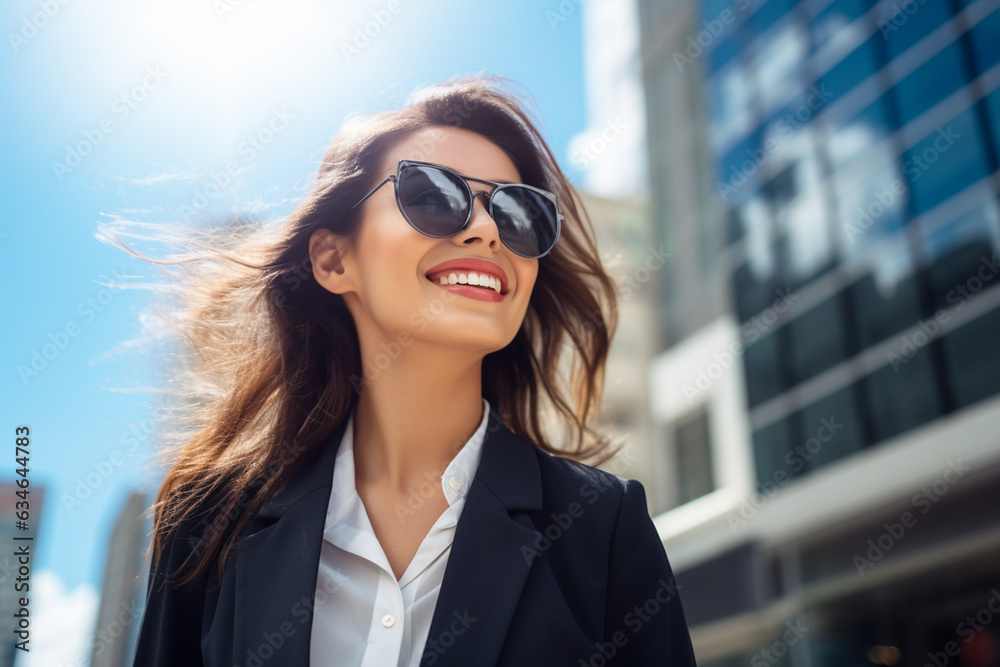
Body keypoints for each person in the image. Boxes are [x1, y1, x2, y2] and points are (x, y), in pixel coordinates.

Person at [127, 75, 698, 667]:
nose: (486, 229)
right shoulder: (209, 521)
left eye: (519, 214)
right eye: (431, 196)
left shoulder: (601, 530)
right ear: (332, 258)